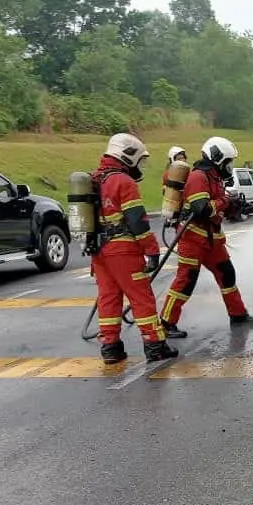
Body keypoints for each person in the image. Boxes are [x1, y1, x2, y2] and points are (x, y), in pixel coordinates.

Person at [159, 136, 253, 338]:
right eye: (229, 162)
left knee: (227, 274)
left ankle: (238, 314)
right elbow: (201, 208)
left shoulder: (213, 177)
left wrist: (237, 207)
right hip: (193, 240)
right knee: (186, 281)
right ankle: (166, 323)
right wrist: (225, 200)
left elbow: (218, 207)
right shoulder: (198, 177)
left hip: (211, 239)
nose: (230, 166)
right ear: (218, 158)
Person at [90, 133, 179, 364]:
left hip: (99, 249)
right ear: (127, 156)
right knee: (141, 297)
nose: (140, 167)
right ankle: (155, 345)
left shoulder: (94, 179)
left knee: (108, 298)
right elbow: (137, 221)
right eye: (139, 160)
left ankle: (110, 348)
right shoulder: (122, 181)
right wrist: (151, 250)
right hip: (123, 250)